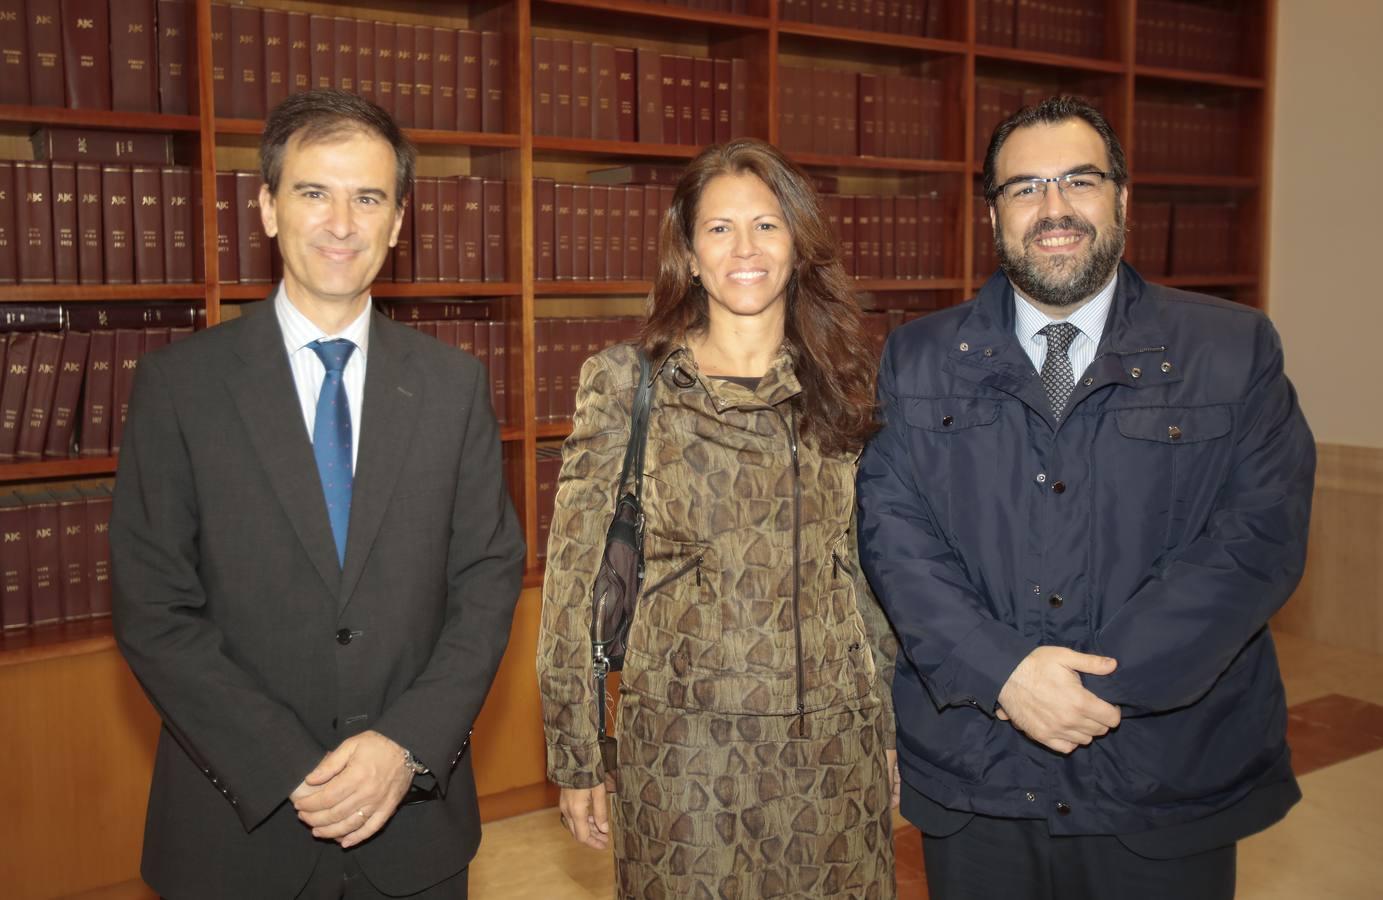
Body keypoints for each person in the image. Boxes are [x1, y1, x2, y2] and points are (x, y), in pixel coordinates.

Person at [856, 95, 1315, 899]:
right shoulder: (916, 356)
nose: (1054, 209)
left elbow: (1255, 541)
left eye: (1079, 181)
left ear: (1122, 198)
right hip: (979, 771)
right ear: (992, 215)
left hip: (1163, 772)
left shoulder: (1232, 349)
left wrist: (1082, 690)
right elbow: (894, 536)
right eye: (1024, 188)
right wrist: (1002, 673)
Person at [111, 89, 525, 899]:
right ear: (266, 207)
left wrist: (403, 746)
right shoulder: (179, 386)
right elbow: (153, 607)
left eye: (367, 197)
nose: (342, 222)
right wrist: (287, 766)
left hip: (412, 830)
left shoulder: (454, 386)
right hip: (236, 831)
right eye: (313, 192)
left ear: (398, 222)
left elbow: (487, 581)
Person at [538, 138, 900, 898]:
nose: (745, 248)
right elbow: (572, 584)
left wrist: (895, 731)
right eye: (719, 228)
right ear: (689, 253)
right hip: (680, 756)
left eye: (767, 225)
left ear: (798, 245)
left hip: (832, 745)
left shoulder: (847, 384)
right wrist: (575, 755)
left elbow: (867, 570)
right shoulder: (624, 383)